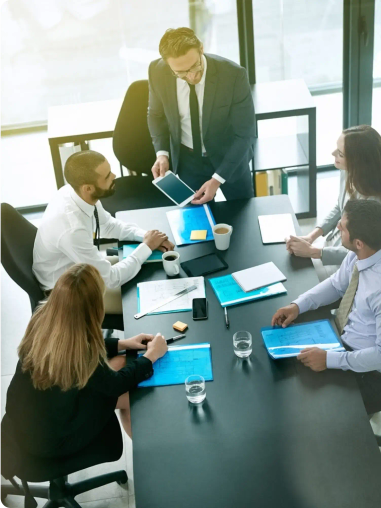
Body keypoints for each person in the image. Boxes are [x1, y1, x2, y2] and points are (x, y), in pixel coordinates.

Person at [1, 264, 167, 459]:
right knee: (132, 395)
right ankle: (151, 459)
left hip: (28, 419)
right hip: (52, 440)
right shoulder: (79, 350)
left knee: (122, 363)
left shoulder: (44, 317)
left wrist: (123, 343)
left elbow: (81, 351)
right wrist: (152, 355)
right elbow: (116, 385)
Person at [272, 199, 381, 413]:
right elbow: (337, 285)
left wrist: (329, 359)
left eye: (343, 225)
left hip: (370, 374)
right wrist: (298, 305)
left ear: (359, 242)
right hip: (343, 340)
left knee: (295, 400)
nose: (338, 226)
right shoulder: (363, 253)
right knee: (279, 365)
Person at [33, 150, 174, 314]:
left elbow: (108, 225)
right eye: (107, 176)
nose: (114, 176)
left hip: (79, 268)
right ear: (88, 188)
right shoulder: (72, 229)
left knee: (145, 270)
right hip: (66, 292)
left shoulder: (76, 193)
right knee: (152, 302)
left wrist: (148, 237)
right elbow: (112, 279)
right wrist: (147, 246)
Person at [148, 27, 256, 203]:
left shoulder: (233, 75)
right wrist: (162, 153)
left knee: (244, 216)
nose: (191, 76)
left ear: (201, 49)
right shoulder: (157, 71)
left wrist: (217, 179)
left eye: (194, 66)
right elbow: (155, 114)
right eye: (181, 73)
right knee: (197, 222)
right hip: (188, 162)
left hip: (230, 158)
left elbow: (245, 133)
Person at [286, 125, 381, 266]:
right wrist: (311, 236)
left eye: (340, 154)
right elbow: (341, 207)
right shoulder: (349, 171)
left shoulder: (376, 203)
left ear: (359, 162)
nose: (333, 153)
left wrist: (313, 252)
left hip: (348, 263)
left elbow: (361, 251)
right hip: (334, 244)